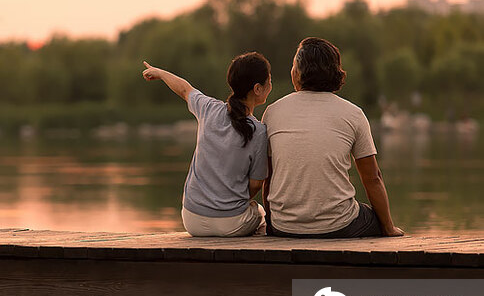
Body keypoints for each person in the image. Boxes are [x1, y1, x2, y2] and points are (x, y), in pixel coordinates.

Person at [261, 37, 404, 238]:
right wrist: (388, 227)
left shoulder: (272, 112)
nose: (292, 71)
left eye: (294, 66)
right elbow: (372, 178)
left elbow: (268, 177)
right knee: (374, 218)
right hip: (339, 225)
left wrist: (272, 221)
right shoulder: (353, 114)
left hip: (284, 226)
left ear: (299, 73)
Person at [141, 53, 272, 236]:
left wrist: (161, 73)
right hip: (232, 224)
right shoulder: (258, 131)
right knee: (260, 213)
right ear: (258, 88)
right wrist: (230, 203)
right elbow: (256, 184)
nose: (271, 85)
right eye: (269, 81)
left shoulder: (208, 109)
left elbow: (184, 89)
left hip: (191, 219)